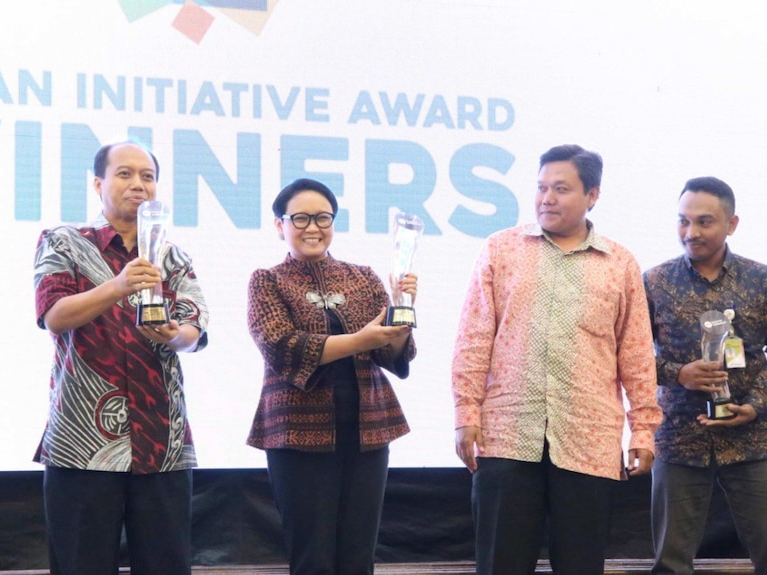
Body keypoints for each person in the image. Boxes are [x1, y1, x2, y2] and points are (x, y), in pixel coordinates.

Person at [451, 144, 662, 575]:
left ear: (592, 195)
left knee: (581, 564)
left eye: (561, 189)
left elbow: (637, 354)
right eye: (542, 187)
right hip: (507, 434)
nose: (547, 198)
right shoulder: (500, 250)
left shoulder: (619, 263)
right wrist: (465, 412)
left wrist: (643, 430)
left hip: (588, 438)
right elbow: (473, 338)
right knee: (500, 564)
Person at [33, 141, 209, 575]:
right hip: (84, 441)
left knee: (166, 565)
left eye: (147, 176)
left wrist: (173, 334)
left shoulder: (171, 256)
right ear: (99, 183)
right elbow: (54, 316)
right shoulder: (64, 242)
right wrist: (116, 286)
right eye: (125, 174)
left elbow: (195, 330)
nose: (138, 184)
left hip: (162, 441)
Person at [246, 178, 417, 575]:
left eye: (323, 217)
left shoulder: (363, 277)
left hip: (368, 431)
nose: (313, 227)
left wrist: (403, 311)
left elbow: (393, 353)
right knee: (313, 557)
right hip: (297, 435)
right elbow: (280, 346)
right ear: (279, 225)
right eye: (301, 218)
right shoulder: (267, 280)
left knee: (359, 557)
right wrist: (359, 339)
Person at [643, 176, 767, 575]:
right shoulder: (654, 283)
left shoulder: (760, 281)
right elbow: (628, 359)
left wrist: (757, 405)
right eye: (682, 221)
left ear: (732, 224)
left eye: (704, 222)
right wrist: (679, 374)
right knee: (670, 562)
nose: (690, 233)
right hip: (679, 440)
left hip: (752, 441)